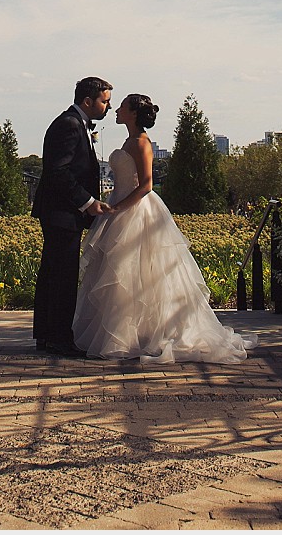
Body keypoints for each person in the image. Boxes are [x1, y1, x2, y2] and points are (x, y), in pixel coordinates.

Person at [73, 92, 255, 362]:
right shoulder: (129, 140)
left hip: (135, 211)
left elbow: (145, 185)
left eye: (121, 106)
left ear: (133, 113)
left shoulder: (142, 143)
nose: (116, 109)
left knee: (142, 272)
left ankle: (146, 334)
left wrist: (119, 208)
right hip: (120, 207)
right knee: (124, 275)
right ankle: (131, 333)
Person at [31, 76, 114, 356]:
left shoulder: (75, 124)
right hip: (61, 212)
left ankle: (47, 335)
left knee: (54, 273)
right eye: (105, 101)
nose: (108, 108)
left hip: (61, 212)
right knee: (62, 275)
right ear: (87, 101)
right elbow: (59, 172)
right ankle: (58, 338)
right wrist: (88, 202)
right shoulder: (69, 124)